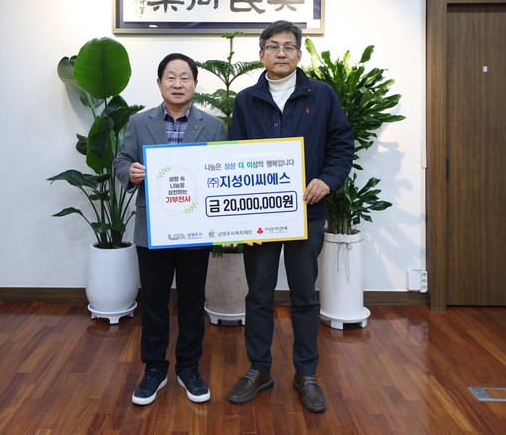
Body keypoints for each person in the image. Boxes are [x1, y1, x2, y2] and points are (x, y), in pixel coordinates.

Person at [226, 20, 353, 413]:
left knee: (304, 296)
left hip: (307, 213)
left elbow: (342, 144)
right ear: (261, 54)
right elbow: (233, 156)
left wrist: (327, 180)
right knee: (258, 295)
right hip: (260, 217)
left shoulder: (323, 95)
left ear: (299, 54)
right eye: (273, 46)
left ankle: (306, 374)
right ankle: (259, 369)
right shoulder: (246, 100)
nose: (280, 53)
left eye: (288, 46)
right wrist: (241, 221)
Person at [114, 53, 226, 406]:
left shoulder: (213, 126)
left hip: (195, 229)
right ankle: (154, 368)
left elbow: (221, 173)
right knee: (154, 302)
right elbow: (121, 159)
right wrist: (130, 172)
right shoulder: (139, 122)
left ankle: (188, 367)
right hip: (152, 228)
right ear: (160, 82)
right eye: (171, 77)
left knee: (192, 302)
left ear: (195, 83)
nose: (178, 84)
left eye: (185, 77)